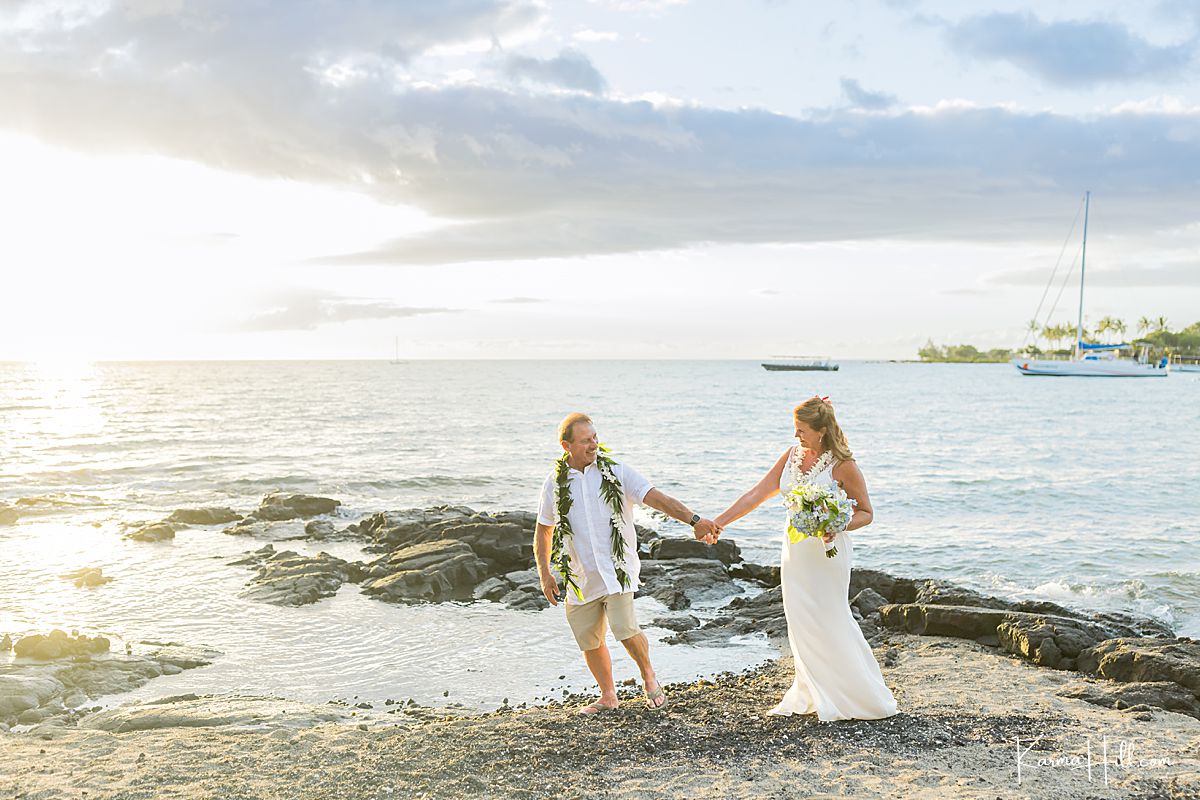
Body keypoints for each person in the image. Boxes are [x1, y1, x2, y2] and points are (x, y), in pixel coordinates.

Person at [712, 396, 898, 721]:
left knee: (831, 617)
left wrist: (837, 524)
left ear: (822, 430)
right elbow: (758, 493)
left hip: (827, 553)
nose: (796, 436)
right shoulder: (792, 456)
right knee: (800, 621)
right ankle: (814, 691)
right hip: (795, 552)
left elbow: (866, 513)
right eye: (794, 429)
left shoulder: (844, 465)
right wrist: (719, 523)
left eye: (801, 430)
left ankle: (861, 696)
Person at [535, 412, 722, 715]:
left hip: (617, 569)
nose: (594, 444)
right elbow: (544, 528)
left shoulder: (617, 472)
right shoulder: (554, 484)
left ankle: (648, 675)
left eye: (595, 437)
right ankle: (608, 696)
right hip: (580, 575)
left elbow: (656, 498)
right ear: (566, 445)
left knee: (624, 628)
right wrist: (545, 574)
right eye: (586, 440)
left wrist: (695, 520)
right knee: (589, 639)